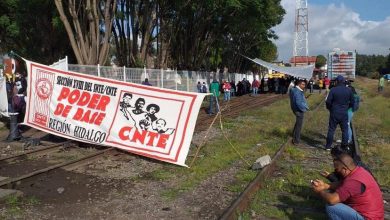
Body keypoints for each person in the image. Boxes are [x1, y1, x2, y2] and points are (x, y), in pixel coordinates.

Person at [311, 153, 384, 220]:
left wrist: (320, 191)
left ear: (344, 169)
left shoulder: (354, 182)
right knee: (332, 194)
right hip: (373, 215)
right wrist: (325, 186)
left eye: (337, 169)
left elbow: (332, 200)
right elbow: (342, 184)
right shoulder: (359, 171)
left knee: (332, 207)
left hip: (368, 218)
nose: (335, 171)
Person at [325, 75, 354, 150]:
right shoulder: (349, 90)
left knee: (331, 129)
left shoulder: (333, 90)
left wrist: (330, 108)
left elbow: (328, 101)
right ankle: (344, 146)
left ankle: (328, 146)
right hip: (344, 113)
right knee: (345, 130)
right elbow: (353, 102)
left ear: (337, 81)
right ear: (344, 81)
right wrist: (347, 108)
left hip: (334, 112)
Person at [289, 80, 309, 145]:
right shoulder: (297, 92)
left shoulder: (294, 90)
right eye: (303, 84)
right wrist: (304, 108)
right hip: (298, 110)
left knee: (298, 123)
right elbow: (298, 102)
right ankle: (296, 140)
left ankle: (294, 135)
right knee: (299, 125)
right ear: (299, 84)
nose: (304, 86)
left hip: (295, 108)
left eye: (304, 84)